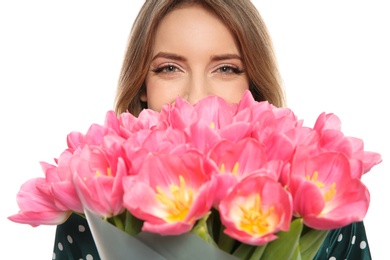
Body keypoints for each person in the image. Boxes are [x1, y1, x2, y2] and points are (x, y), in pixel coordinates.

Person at [53, 1, 371, 259]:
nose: (197, 96)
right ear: (142, 86)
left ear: (254, 85)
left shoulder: (327, 200)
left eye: (226, 69)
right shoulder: (91, 202)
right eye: (169, 68)